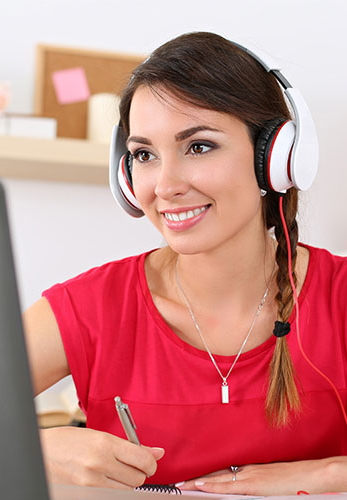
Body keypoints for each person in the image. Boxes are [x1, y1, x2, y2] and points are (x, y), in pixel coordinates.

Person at [23, 32, 347, 495]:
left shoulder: (341, 295)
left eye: (198, 146)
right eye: (144, 155)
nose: (165, 185)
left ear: (274, 158)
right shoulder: (90, 307)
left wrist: (331, 474)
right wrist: (39, 446)